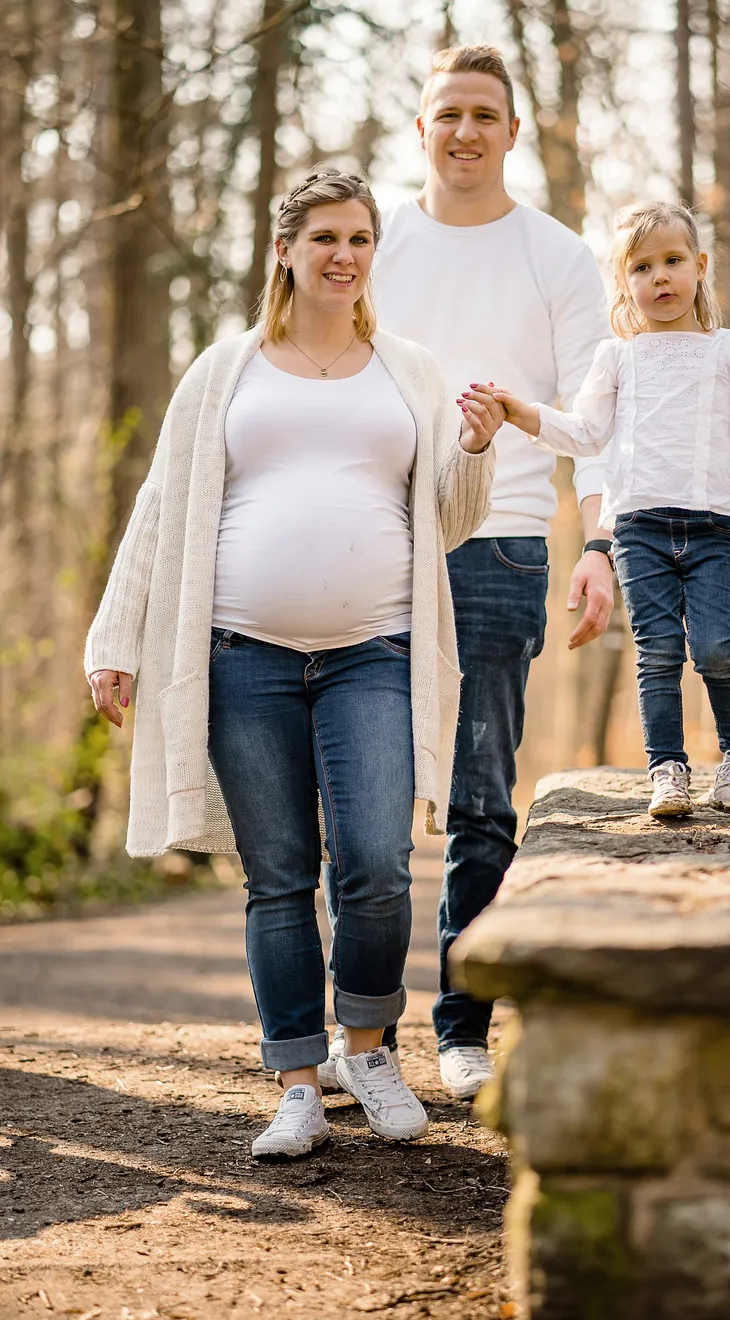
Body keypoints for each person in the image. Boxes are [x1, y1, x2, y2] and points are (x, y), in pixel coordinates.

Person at [85, 167, 503, 1159]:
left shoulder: (406, 370)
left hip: (374, 654)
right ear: (285, 249)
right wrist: (115, 638)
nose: (343, 256)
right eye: (323, 238)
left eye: (359, 239)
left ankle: (369, 1050)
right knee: (277, 879)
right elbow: (161, 509)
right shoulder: (226, 370)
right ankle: (297, 1084)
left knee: (373, 864)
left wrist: (477, 448)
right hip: (241, 657)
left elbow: (447, 518)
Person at [321, 45, 615, 1101]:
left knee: (481, 798)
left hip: (501, 543)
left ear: (511, 132)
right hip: (368, 538)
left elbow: (602, 421)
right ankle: (362, 1041)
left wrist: (600, 546)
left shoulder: (559, 258)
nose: (463, 132)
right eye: (446, 113)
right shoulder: (375, 244)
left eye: (483, 114)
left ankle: (462, 1027)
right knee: (361, 800)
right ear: (419, 129)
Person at [490, 199, 730, 817]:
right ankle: (668, 771)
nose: (660, 277)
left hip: (712, 528)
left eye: (673, 261)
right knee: (656, 651)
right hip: (639, 530)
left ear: (699, 266)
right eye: (642, 267)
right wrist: (526, 415)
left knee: (714, 647)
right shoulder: (618, 358)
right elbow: (584, 433)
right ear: (624, 282)